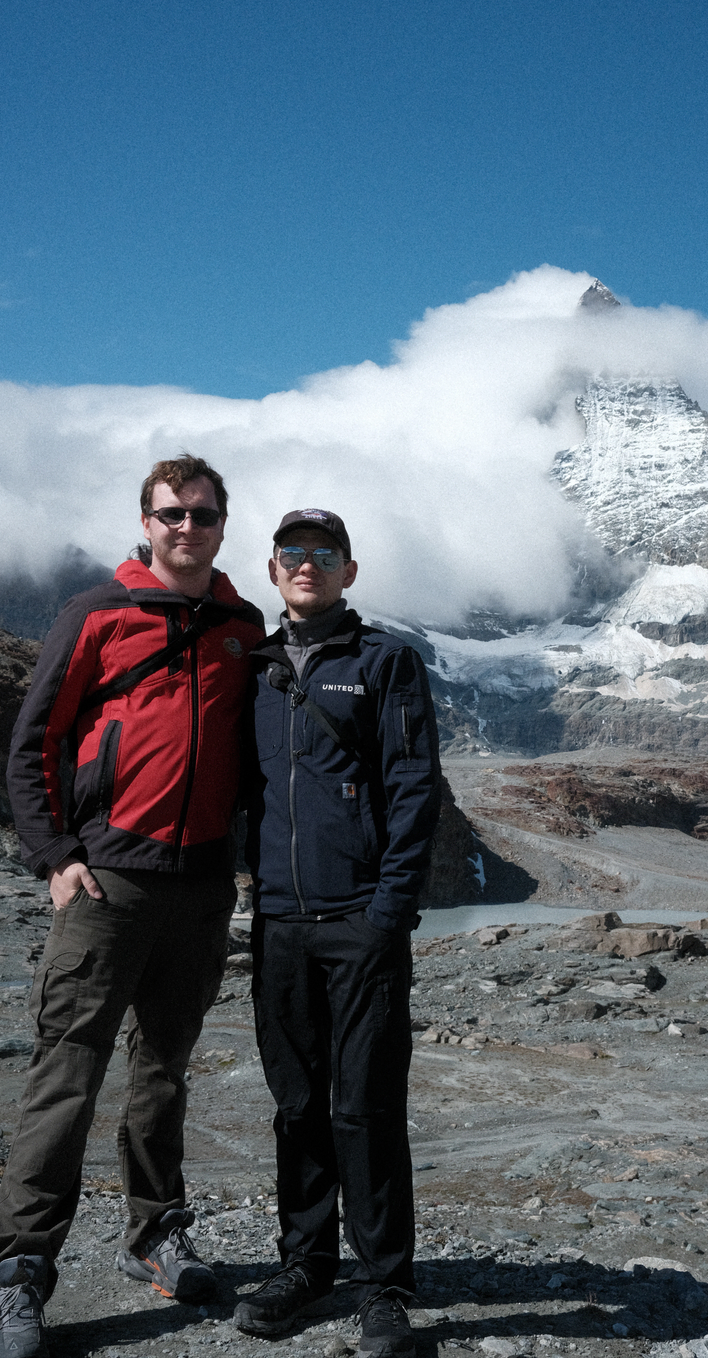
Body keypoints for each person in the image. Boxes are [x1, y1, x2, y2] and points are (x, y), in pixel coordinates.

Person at [0, 455, 265, 1357]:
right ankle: (23, 1268)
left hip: (200, 887)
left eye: (203, 514)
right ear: (145, 521)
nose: (186, 528)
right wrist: (58, 856)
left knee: (163, 1073)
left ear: (224, 524)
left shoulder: (242, 623)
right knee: (65, 1075)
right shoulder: (96, 614)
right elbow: (32, 745)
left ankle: (156, 1235)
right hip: (107, 881)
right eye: (171, 514)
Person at [234, 509, 441, 1358]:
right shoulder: (251, 668)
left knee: (365, 1107)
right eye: (293, 553)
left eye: (324, 554)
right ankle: (305, 1264)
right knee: (296, 1107)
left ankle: (384, 1282)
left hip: (360, 921)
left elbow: (413, 788)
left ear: (348, 572)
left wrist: (388, 914)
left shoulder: (384, 661)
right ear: (273, 569)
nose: (307, 565)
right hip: (279, 922)